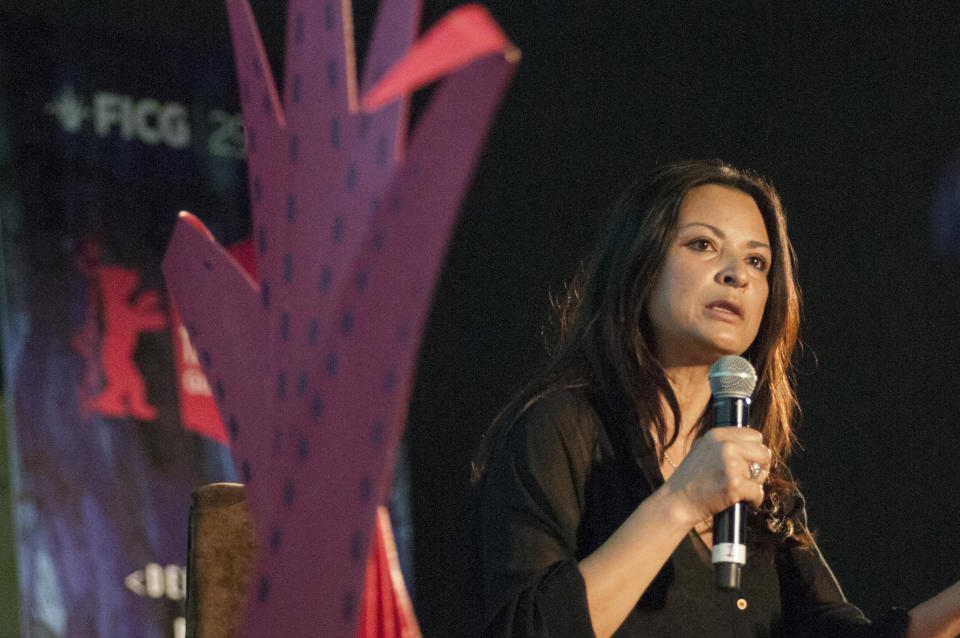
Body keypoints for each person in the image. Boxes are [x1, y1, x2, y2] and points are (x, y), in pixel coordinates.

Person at [472, 160, 960, 638]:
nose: (737, 275)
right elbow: (527, 627)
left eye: (756, 261)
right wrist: (682, 500)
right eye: (703, 245)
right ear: (640, 262)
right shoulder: (560, 429)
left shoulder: (759, 483)